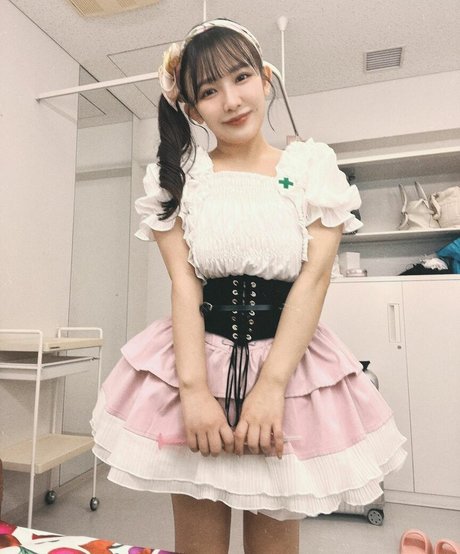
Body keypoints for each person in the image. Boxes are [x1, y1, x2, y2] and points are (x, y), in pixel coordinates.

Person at [91, 18, 407, 554]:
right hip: (196, 362)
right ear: (193, 110)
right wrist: (193, 392)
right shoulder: (179, 180)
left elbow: (313, 281)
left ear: (265, 78)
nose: (231, 100)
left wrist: (271, 386)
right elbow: (185, 288)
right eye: (209, 90)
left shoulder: (312, 170)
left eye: (240, 78)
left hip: (287, 368)